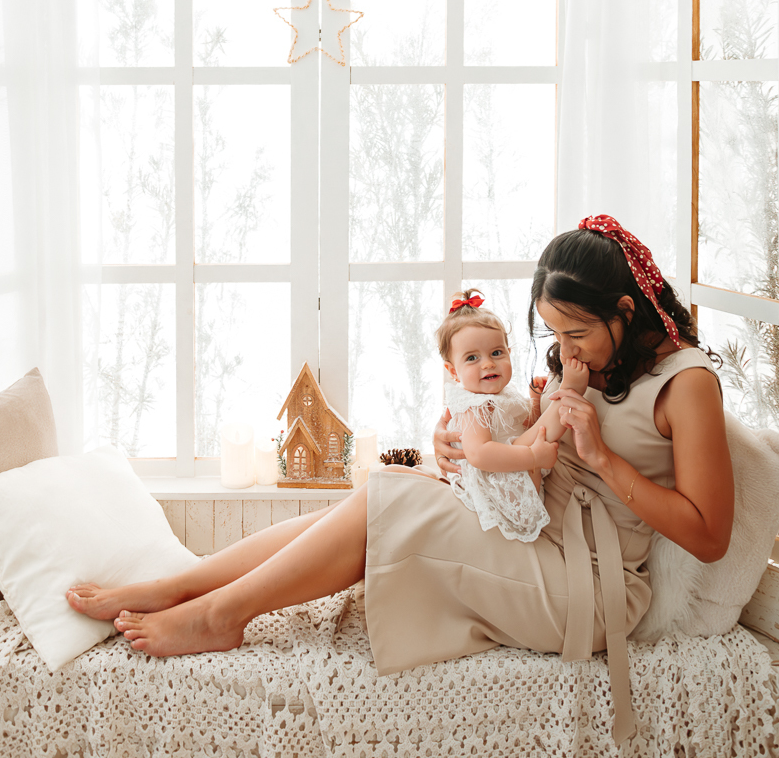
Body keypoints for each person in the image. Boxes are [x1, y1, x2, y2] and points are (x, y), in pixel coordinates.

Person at [66, 215, 734, 745]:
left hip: (584, 581)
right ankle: (183, 582)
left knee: (388, 500)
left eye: (576, 333)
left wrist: (605, 461)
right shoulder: (587, 357)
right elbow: (538, 437)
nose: (564, 350)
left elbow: (707, 535)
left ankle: (219, 614)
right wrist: (460, 447)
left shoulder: (687, 383)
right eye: (553, 334)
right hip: (527, 523)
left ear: (624, 309)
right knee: (385, 491)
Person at [438, 288, 588, 540]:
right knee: (535, 436)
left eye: (497, 353)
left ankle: (566, 397)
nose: (487, 363)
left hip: (514, 472)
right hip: (496, 481)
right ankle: (569, 393)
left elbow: (526, 425)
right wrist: (531, 456)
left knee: (533, 432)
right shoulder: (473, 405)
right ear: (453, 372)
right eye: (472, 358)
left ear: (509, 352)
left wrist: (534, 400)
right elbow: (478, 453)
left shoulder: (503, 395)